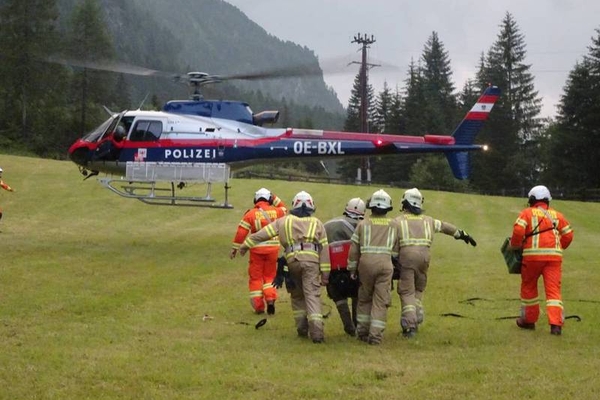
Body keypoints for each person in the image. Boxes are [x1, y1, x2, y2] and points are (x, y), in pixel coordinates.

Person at [239, 191, 330, 343]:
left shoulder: (284, 221)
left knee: (297, 296)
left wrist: (245, 246)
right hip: (311, 262)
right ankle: (317, 334)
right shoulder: (318, 224)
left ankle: (302, 329)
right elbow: (325, 249)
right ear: (312, 207)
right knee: (312, 296)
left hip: (292, 261)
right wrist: (326, 273)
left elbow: (263, 234)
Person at [394, 188, 476, 339]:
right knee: (419, 289)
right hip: (424, 259)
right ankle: (417, 314)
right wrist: (462, 234)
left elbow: (390, 242)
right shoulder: (429, 221)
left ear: (404, 203)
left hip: (406, 259)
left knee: (406, 292)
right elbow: (445, 227)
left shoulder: (397, 222)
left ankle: (410, 327)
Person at [508, 185, 574, 335]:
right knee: (553, 292)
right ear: (547, 200)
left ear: (531, 200)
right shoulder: (557, 215)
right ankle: (556, 325)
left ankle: (529, 321)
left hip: (532, 257)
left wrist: (516, 246)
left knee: (529, 287)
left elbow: (518, 230)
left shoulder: (527, 213)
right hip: (554, 259)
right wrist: (558, 247)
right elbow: (569, 234)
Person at [347, 189, 399, 345]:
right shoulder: (394, 225)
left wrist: (352, 268)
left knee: (364, 299)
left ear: (371, 206)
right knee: (380, 301)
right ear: (388, 207)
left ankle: (362, 332)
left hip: (366, 265)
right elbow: (396, 250)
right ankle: (375, 336)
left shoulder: (363, 224)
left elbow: (354, 249)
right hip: (385, 265)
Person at [230, 188, 287, 315]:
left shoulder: (250, 214)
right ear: (269, 199)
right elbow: (284, 208)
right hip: (273, 250)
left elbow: (241, 232)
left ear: (256, 199)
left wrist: (235, 248)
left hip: (256, 250)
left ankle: (259, 306)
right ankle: (271, 299)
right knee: (269, 276)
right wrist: (275, 197)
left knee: (256, 278)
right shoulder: (277, 211)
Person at [323, 197, 366, 336]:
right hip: (352, 268)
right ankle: (356, 323)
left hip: (333, 271)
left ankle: (348, 325)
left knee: (338, 297)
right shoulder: (362, 226)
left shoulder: (328, 224)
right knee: (356, 295)